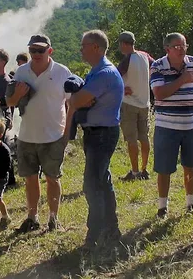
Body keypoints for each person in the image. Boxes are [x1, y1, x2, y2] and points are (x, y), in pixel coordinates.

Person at [7, 34, 72, 233]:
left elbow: (72, 103)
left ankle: (53, 219)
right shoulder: (21, 71)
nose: (36, 54)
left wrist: (67, 132)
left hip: (53, 136)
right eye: (32, 50)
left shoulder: (62, 72)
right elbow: (10, 102)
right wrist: (18, 94)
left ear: (49, 51)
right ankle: (32, 218)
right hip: (27, 135)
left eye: (40, 50)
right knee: (30, 179)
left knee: (53, 178)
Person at [67, 30, 124, 249]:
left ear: (96, 48)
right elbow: (79, 100)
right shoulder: (96, 72)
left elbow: (77, 100)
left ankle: (95, 235)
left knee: (92, 184)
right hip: (96, 133)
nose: (81, 49)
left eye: (84, 45)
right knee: (102, 181)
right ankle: (111, 229)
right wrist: (80, 99)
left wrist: (78, 98)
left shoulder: (104, 74)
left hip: (102, 133)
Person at [149, 33, 193, 220]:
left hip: (192, 125)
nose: (181, 50)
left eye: (184, 45)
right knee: (164, 168)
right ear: (167, 49)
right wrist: (183, 80)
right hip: (166, 126)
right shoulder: (158, 66)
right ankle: (162, 207)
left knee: (190, 166)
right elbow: (159, 93)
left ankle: (190, 203)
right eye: (177, 46)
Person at [115, 31, 155, 181]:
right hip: (145, 103)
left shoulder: (127, 60)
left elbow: (115, 78)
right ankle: (145, 170)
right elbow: (156, 66)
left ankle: (135, 172)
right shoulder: (145, 56)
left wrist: (123, 88)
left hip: (129, 103)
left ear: (124, 44)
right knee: (144, 137)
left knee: (131, 139)